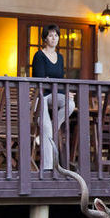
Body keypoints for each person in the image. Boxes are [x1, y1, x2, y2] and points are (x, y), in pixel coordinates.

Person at [31, 24, 75, 170]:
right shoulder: (39, 55)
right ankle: (48, 168)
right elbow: (42, 80)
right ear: (45, 38)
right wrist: (60, 87)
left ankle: (45, 132)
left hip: (54, 93)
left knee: (70, 104)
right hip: (40, 96)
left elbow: (57, 79)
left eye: (56, 35)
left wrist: (64, 91)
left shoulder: (60, 57)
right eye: (50, 35)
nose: (54, 38)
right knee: (47, 129)